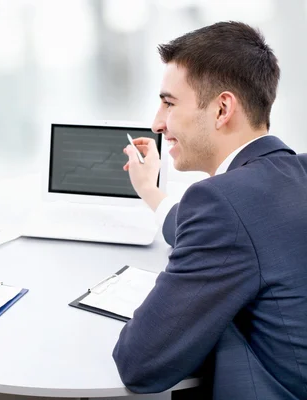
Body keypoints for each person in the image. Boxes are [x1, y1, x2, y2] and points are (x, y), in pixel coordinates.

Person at [113, 21, 307, 399]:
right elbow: (225, 231)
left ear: (222, 108)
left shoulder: (221, 204)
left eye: (168, 103)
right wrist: (150, 190)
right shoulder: (292, 174)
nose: (157, 123)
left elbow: (139, 365)